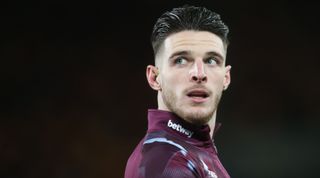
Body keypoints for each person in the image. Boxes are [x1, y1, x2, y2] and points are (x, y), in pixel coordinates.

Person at [125, 5, 231, 178]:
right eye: (181, 60)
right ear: (154, 78)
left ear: (226, 78)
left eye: (211, 60)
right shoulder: (165, 160)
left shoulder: (194, 151)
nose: (199, 73)